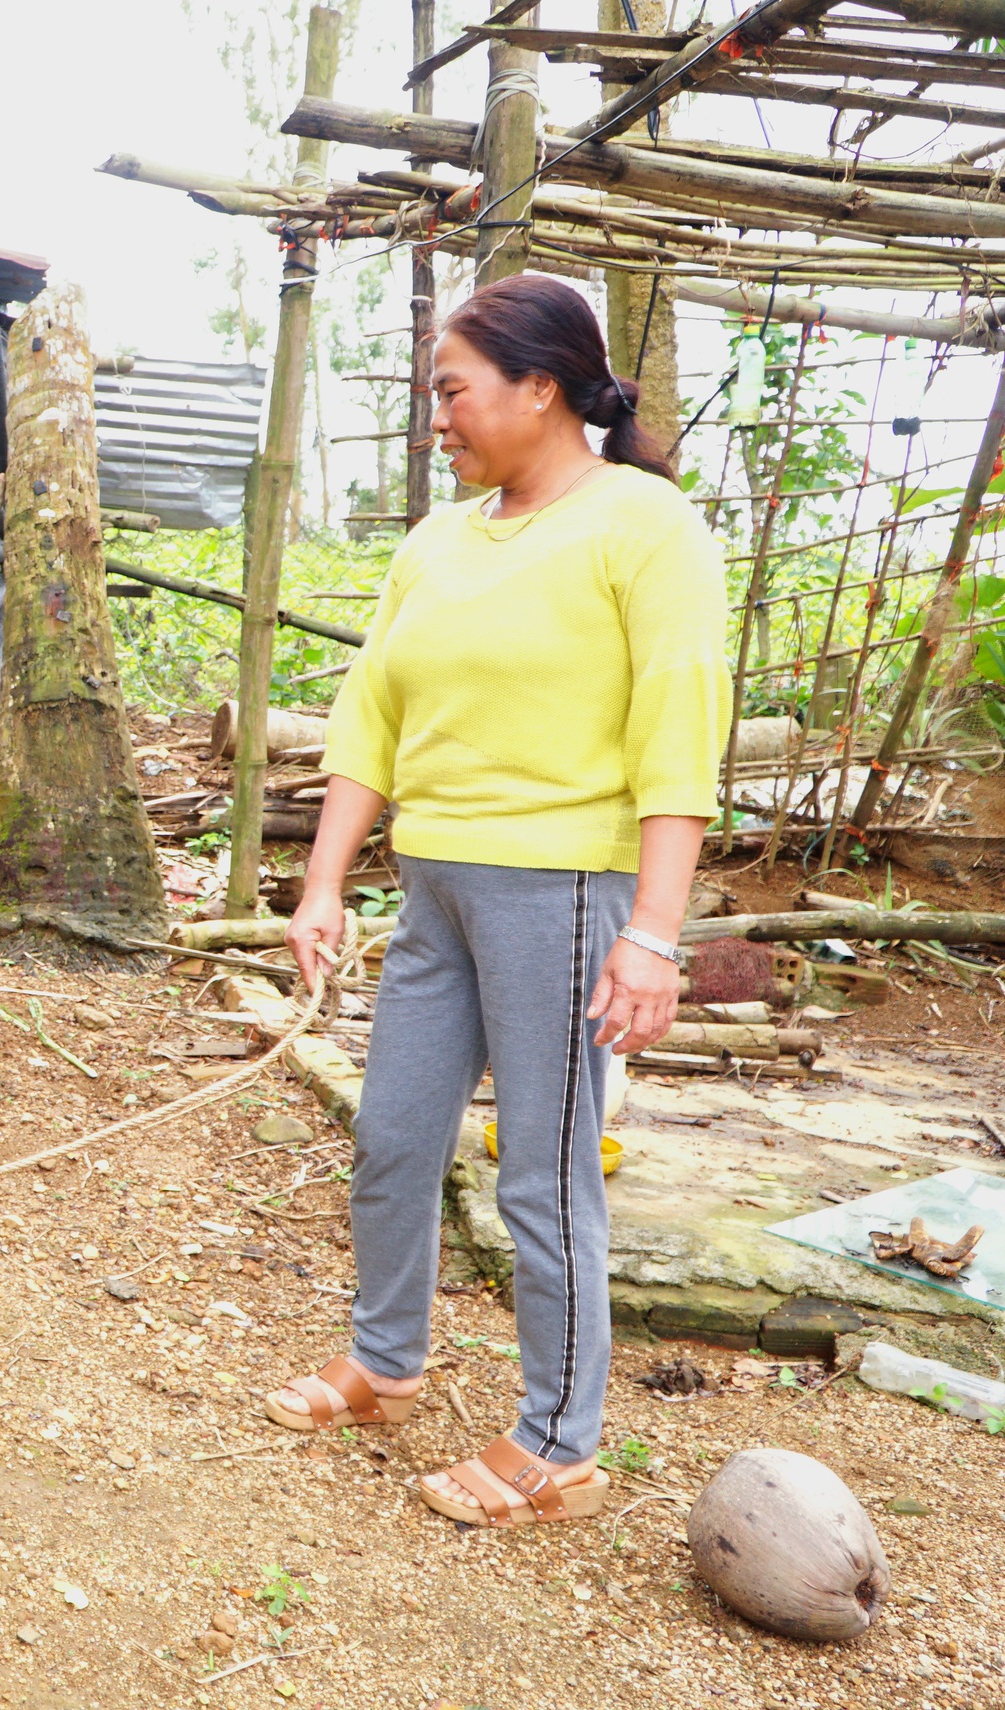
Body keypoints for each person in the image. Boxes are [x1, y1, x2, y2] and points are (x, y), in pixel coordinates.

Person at [259, 274, 729, 1527]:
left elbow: (678, 733)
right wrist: (322, 882)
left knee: (541, 1175)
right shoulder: (437, 541)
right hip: (436, 889)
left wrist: (652, 935)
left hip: (561, 896)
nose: (438, 418)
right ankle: (386, 1363)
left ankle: (557, 1445)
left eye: (452, 392)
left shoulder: (644, 525)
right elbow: (371, 715)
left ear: (540, 389)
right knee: (392, 1138)